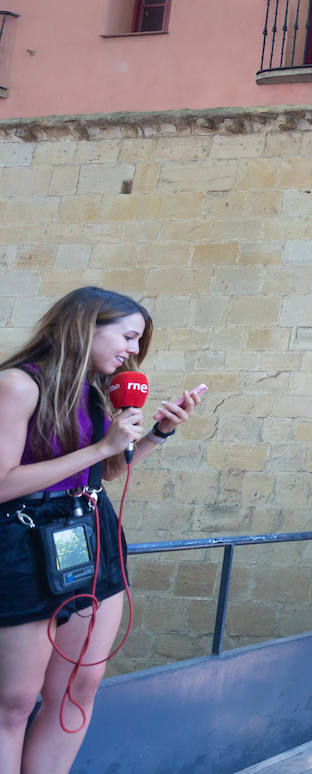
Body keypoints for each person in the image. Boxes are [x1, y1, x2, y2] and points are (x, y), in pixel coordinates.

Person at [0, 287, 205, 774]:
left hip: (93, 538)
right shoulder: (18, 385)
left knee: (78, 689)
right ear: (85, 326)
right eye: (129, 336)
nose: (133, 351)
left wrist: (156, 433)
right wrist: (100, 447)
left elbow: (103, 473)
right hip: (23, 545)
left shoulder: (92, 391)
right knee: (12, 701)